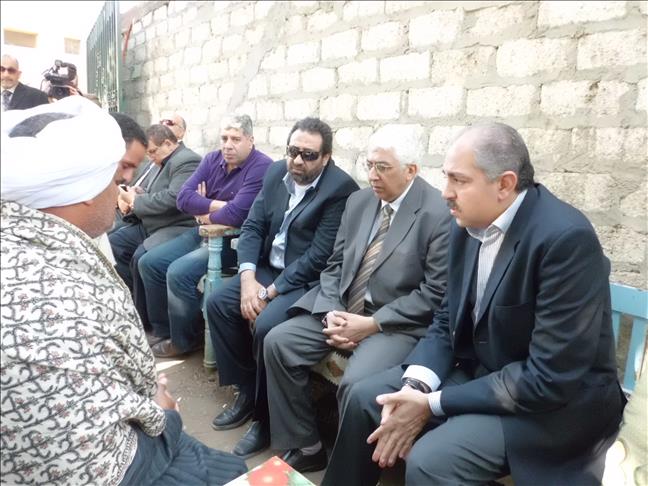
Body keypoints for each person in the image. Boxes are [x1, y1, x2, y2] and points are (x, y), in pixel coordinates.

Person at [321, 121, 626, 486]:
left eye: (459, 180)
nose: (445, 193)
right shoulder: (466, 223)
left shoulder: (565, 240)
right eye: (446, 177)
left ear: (505, 184)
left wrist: (432, 404)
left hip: (550, 405)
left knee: (431, 461)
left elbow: (549, 377)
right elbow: (446, 318)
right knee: (365, 399)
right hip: (482, 372)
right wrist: (416, 388)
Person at [0, 96, 247, 485]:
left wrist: (204, 204)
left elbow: (208, 206)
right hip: (111, 466)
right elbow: (120, 422)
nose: (121, 190)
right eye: (116, 182)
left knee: (155, 261)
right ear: (85, 187)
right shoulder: (63, 294)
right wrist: (164, 412)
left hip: (195, 235)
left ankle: (173, 335)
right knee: (231, 471)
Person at [264, 124, 452, 473]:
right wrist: (332, 311)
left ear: (411, 170)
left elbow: (434, 294)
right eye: (369, 165)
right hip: (342, 309)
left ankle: (351, 470)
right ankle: (307, 445)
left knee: (356, 385)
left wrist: (371, 324)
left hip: (392, 324)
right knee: (278, 343)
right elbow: (335, 264)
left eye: (383, 167)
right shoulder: (359, 201)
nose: (372, 176)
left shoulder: (438, 214)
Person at [206, 117, 360, 460]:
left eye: (309, 155)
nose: (298, 160)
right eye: (293, 151)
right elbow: (252, 226)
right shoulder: (276, 172)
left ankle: (263, 419)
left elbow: (319, 257)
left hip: (302, 281)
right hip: (265, 269)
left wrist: (268, 292)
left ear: (326, 157)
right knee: (218, 303)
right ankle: (247, 393)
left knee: (265, 325)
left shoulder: (340, 190)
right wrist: (248, 279)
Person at [138, 114, 272, 357]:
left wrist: (203, 208)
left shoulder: (261, 167)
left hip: (235, 241)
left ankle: (184, 341)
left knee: (178, 272)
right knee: (150, 263)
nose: (228, 145)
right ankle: (165, 331)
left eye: (235, 139)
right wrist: (219, 207)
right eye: (224, 138)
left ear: (250, 140)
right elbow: (183, 199)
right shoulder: (212, 159)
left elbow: (237, 214)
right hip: (203, 231)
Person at [109, 124, 201, 333]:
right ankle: (133, 307)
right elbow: (155, 192)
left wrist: (135, 200)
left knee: (142, 258)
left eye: (152, 151)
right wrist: (138, 193)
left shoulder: (186, 160)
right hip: (151, 222)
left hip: (176, 225)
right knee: (113, 245)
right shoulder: (159, 162)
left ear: (168, 143)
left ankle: (157, 326)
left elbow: (175, 198)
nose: (150, 157)